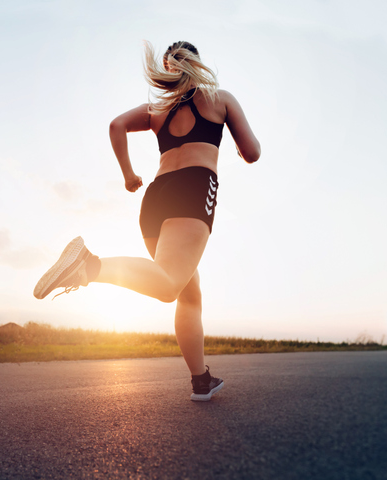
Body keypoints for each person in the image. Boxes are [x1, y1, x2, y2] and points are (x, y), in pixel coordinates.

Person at [33, 41, 260, 401]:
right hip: (194, 187)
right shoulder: (220, 98)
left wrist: (128, 175)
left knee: (189, 293)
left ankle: (201, 379)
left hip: (156, 198)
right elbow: (252, 153)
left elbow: (116, 125)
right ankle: (89, 266)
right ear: (196, 64)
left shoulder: (158, 108)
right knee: (170, 285)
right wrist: (229, 137)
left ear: (169, 70)